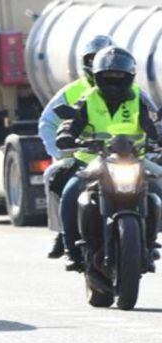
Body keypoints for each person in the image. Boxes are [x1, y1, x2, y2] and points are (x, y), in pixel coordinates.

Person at [55, 46, 161, 271]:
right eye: (108, 78)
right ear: (98, 77)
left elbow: (152, 125)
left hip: (132, 160)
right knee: (70, 193)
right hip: (92, 160)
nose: (113, 83)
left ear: (129, 77)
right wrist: (65, 134)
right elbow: (71, 121)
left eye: (119, 78)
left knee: (158, 191)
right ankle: (71, 250)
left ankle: (150, 243)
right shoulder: (88, 99)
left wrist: (158, 138)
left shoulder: (137, 100)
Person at [39, 35, 117, 258]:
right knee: (55, 177)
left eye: (107, 60)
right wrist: (61, 152)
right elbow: (48, 123)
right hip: (85, 158)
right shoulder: (76, 93)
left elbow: (152, 120)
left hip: (127, 158)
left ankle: (148, 235)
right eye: (94, 60)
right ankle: (63, 234)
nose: (102, 66)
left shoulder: (133, 92)